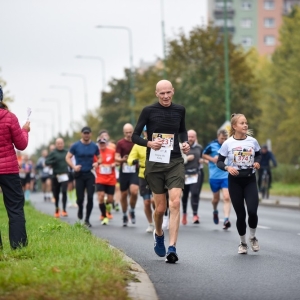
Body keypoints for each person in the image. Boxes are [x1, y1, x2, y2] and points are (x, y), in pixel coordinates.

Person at [132, 79, 190, 263]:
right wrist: (149, 143)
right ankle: (158, 234)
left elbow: (182, 131)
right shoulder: (148, 111)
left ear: (173, 91)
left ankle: (172, 248)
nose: (165, 96)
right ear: (156, 94)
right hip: (155, 163)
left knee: (175, 203)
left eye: (168, 92)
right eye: (162, 93)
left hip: (174, 161)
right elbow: (135, 135)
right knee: (160, 209)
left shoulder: (179, 110)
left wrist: (185, 142)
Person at [217, 113, 261, 254]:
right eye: (242, 123)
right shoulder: (228, 143)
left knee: (252, 212)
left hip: (249, 180)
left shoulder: (252, 141)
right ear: (234, 126)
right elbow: (219, 161)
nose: (245, 125)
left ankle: (252, 238)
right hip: (235, 182)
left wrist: (257, 162)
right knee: (241, 215)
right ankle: (242, 243)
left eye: (246, 123)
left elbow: (259, 154)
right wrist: (227, 167)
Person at [0, 85, 30, 249]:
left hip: (8, 169)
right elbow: (21, 144)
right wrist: (25, 130)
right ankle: (18, 246)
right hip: (9, 170)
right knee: (14, 208)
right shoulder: (10, 118)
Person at [66, 126, 101, 227]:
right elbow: (67, 157)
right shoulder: (76, 146)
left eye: (88, 133)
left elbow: (100, 158)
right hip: (79, 174)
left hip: (90, 173)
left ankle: (87, 219)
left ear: (90, 134)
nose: (86, 135)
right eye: (84, 133)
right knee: (80, 198)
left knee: (90, 196)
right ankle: (80, 209)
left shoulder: (94, 146)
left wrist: (97, 163)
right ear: (82, 134)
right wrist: (73, 166)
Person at [202, 129, 231, 230]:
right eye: (222, 138)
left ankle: (226, 219)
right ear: (218, 136)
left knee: (227, 197)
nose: (223, 140)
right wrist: (212, 159)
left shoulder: (229, 145)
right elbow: (204, 154)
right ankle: (215, 210)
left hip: (225, 175)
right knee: (216, 199)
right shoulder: (212, 145)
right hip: (214, 177)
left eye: (225, 138)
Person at [128, 126, 155, 233]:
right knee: (147, 202)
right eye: (146, 131)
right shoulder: (139, 144)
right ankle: (151, 223)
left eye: (150, 131)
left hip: (156, 175)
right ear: (144, 132)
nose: (148, 133)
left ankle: (159, 220)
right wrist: (133, 161)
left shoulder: (159, 142)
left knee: (155, 201)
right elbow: (130, 158)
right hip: (143, 175)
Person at [115, 123, 139, 227]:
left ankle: (132, 210)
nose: (129, 134)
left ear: (133, 131)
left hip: (135, 170)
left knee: (134, 191)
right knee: (124, 195)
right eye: (127, 132)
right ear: (124, 132)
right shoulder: (120, 143)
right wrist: (122, 160)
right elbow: (116, 157)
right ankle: (125, 214)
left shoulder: (137, 141)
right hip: (124, 170)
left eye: (130, 132)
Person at [181, 129, 204, 225]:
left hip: (195, 173)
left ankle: (195, 215)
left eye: (192, 137)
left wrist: (202, 160)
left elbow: (202, 157)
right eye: (189, 136)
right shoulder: (182, 147)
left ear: (195, 137)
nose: (190, 138)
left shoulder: (199, 147)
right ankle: (184, 214)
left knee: (195, 193)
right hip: (184, 174)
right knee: (185, 195)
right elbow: (177, 160)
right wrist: (186, 158)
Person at [94, 137, 116, 225]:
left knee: (110, 199)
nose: (102, 144)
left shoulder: (112, 151)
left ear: (106, 143)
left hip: (110, 179)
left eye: (103, 143)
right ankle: (104, 216)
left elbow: (117, 161)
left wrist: (114, 164)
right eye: (100, 143)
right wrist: (95, 165)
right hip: (100, 178)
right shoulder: (95, 153)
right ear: (98, 144)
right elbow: (93, 163)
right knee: (101, 196)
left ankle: (107, 209)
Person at [45, 138, 69, 218]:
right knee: (56, 193)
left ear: (63, 143)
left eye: (61, 143)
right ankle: (57, 209)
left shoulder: (66, 152)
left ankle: (64, 209)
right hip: (56, 176)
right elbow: (46, 162)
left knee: (64, 191)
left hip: (64, 174)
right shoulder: (53, 153)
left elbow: (71, 160)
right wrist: (53, 162)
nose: (60, 145)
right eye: (58, 143)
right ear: (56, 144)